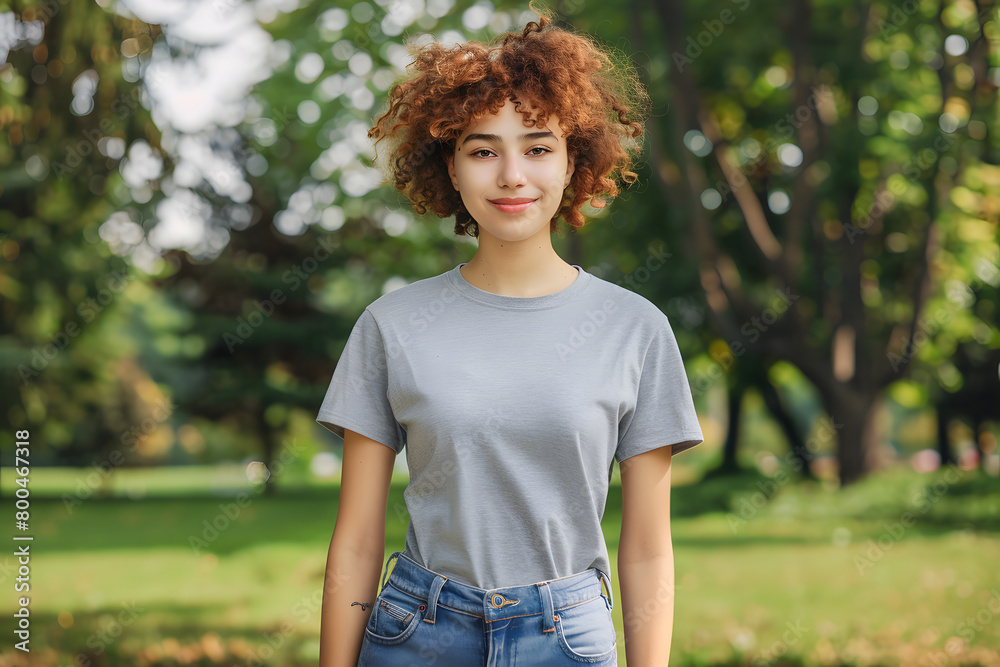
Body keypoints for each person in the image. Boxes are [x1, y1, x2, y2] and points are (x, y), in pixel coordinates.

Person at [315, 4, 704, 666]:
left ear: (573, 159)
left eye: (538, 147)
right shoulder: (391, 325)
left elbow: (646, 548)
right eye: (483, 150)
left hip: (569, 638)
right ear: (451, 168)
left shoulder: (636, 330)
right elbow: (355, 540)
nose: (512, 176)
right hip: (416, 632)